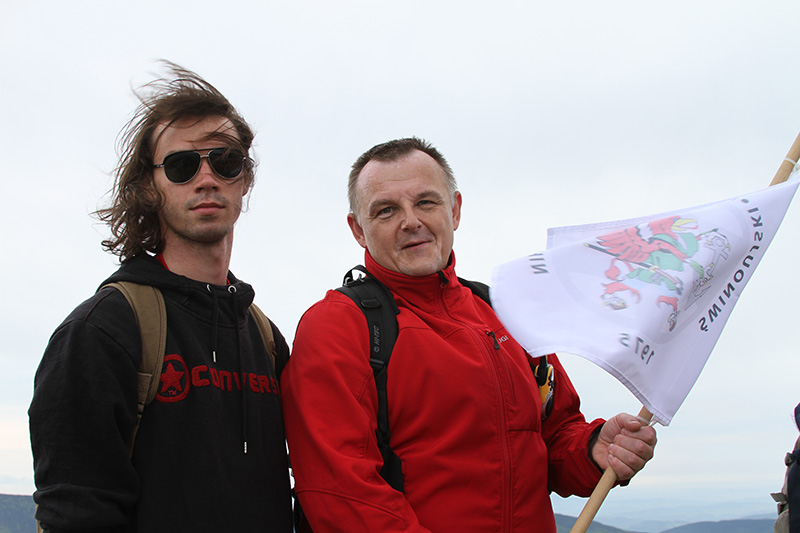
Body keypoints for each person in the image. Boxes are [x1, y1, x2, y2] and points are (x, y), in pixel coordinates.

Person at [281, 137, 657, 532]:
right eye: (386, 210)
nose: (411, 221)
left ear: (455, 210)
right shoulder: (338, 327)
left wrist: (594, 449)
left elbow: (555, 434)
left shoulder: (506, 312)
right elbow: (341, 493)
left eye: (426, 202)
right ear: (358, 229)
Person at [29, 62, 293, 532]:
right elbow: (75, 511)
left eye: (225, 161)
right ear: (150, 187)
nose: (206, 178)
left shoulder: (265, 338)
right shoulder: (101, 332)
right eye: (181, 165)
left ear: (245, 180)